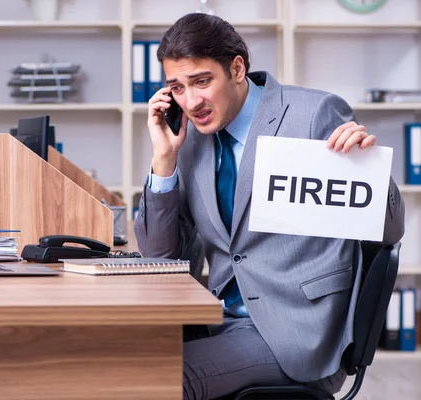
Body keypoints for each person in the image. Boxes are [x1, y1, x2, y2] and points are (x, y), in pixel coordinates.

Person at [134, 12, 405, 400]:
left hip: (297, 331)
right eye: (177, 88)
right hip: (216, 322)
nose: (191, 102)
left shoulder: (313, 115)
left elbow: (392, 231)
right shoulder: (189, 140)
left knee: (155, 379)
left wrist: (370, 174)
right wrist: (163, 160)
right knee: (117, 357)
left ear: (238, 68)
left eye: (202, 81)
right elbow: (160, 257)